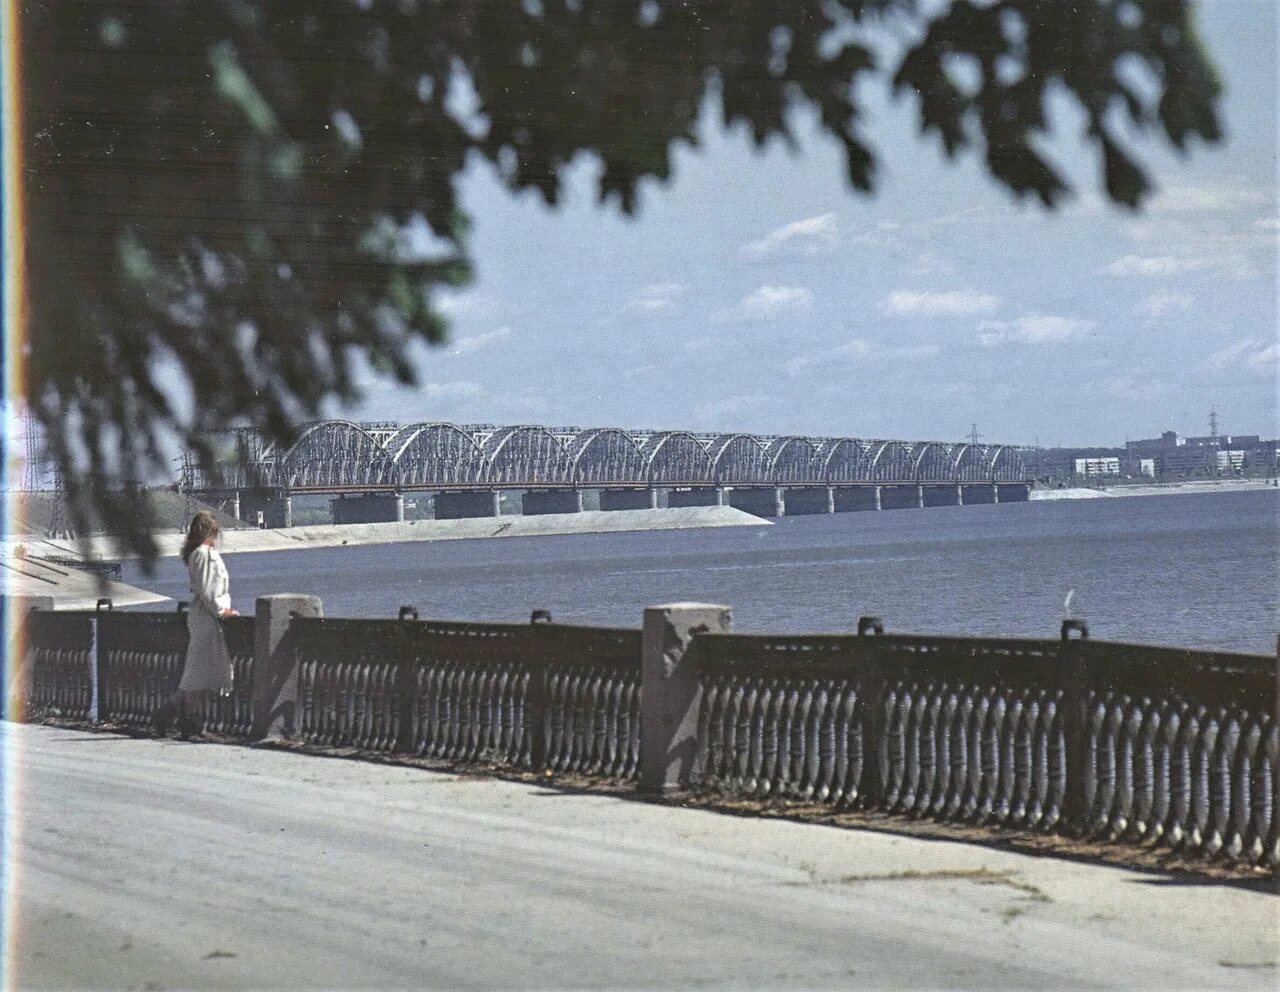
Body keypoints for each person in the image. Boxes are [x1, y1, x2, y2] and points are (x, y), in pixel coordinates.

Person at [156, 511, 238, 738]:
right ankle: (187, 720)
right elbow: (208, 590)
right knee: (197, 674)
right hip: (207, 617)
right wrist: (223, 610)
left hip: (203, 615)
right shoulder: (205, 554)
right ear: (211, 532)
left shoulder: (198, 553)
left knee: (197, 672)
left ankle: (171, 716)